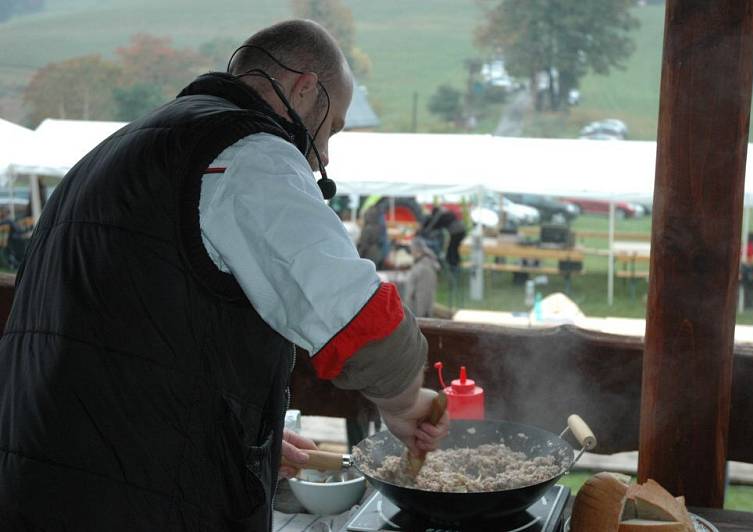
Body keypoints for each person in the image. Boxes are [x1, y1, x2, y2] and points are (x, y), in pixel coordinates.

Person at [0, 21, 448, 532]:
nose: (324, 154)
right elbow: (361, 321)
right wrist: (408, 401)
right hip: (127, 501)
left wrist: (232, 442)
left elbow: (129, 338)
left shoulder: (125, 149)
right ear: (305, 89)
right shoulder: (246, 153)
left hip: (43, 477)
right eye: (333, 128)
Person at [419, 205, 466, 270]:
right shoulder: (447, 213)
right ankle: (456, 264)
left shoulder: (439, 216)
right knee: (454, 248)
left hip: (456, 232)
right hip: (462, 230)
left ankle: (454, 266)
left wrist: (423, 231)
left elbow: (432, 226)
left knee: (452, 249)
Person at [404, 237, 440, 318]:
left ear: (417, 250)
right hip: (416, 315)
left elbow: (424, 295)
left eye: (412, 249)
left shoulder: (424, 267)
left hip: (420, 316)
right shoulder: (420, 264)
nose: (411, 252)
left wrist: (420, 316)